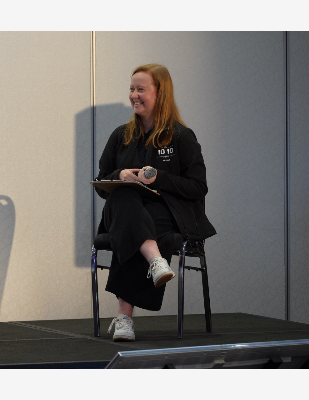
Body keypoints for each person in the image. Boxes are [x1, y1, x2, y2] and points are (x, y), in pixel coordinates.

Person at [95, 64, 216, 342]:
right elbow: (103, 184)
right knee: (124, 197)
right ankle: (156, 260)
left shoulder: (182, 137)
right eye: (131, 89)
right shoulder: (120, 136)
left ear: (160, 94)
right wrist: (121, 175)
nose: (134, 95)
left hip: (167, 214)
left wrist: (158, 178)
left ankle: (124, 317)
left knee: (135, 227)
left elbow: (198, 187)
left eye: (141, 89)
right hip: (122, 210)